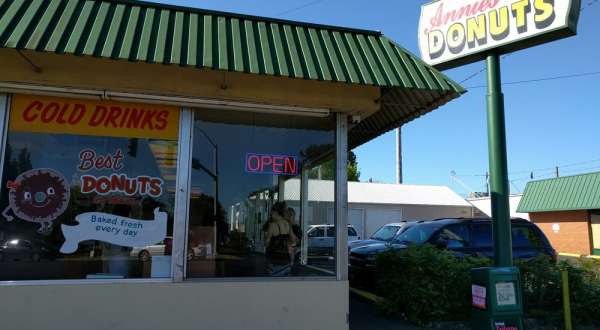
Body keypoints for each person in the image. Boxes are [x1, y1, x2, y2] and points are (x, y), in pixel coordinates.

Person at [265, 202, 298, 276]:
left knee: (274, 280)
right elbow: (294, 240)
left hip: (274, 258)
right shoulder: (287, 224)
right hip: (285, 258)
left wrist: (267, 240)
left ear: (276, 212)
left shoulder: (272, 225)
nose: (271, 215)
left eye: (272, 213)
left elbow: (267, 242)